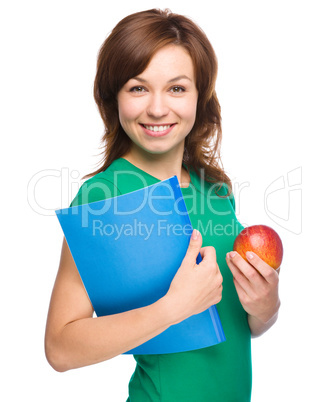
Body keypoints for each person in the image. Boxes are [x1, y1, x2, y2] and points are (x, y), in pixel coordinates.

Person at [45, 8, 280, 401]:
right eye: (138, 88)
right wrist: (173, 308)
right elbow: (60, 347)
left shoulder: (216, 191)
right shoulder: (106, 197)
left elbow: (243, 326)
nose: (157, 108)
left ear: (199, 96)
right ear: (113, 96)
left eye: (176, 88)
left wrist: (266, 306)